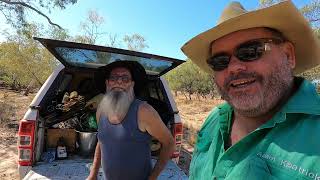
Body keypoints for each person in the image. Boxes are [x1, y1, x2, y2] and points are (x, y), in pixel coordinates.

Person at [181, 1, 320, 180]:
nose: (233, 68)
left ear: (288, 55)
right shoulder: (214, 119)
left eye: (250, 51)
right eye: (220, 61)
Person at [87, 61, 175, 180]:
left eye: (125, 78)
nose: (119, 81)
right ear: (107, 83)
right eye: (113, 78)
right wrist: (93, 174)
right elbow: (102, 140)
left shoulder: (144, 111)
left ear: (132, 84)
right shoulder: (101, 110)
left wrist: (152, 178)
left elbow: (169, 143)